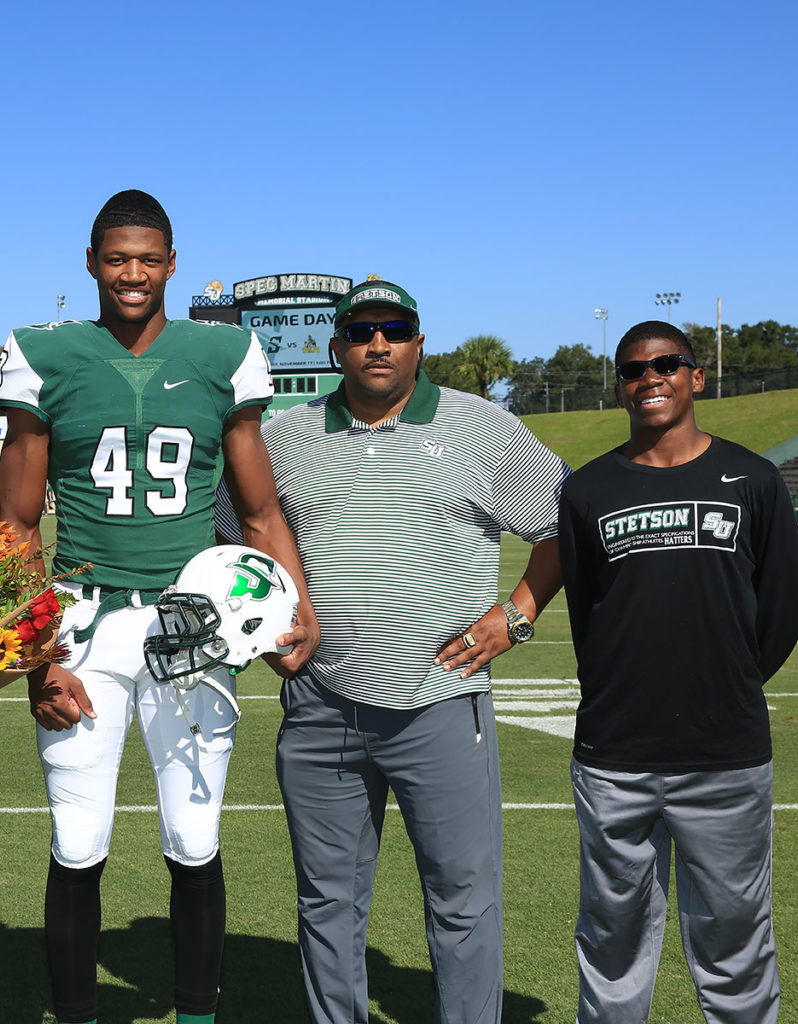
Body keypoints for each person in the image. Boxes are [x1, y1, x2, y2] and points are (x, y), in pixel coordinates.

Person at [0, 189, 316, 1024]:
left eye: (147, 259)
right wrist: (36, 657)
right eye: (116, 258)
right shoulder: (44, 355)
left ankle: (198, 1016)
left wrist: (297, 604)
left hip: (193, 623)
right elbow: (15, 526)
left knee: (194, 840)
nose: (132, 274)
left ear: (172, 264)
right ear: (91, 263)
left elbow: (260, 512)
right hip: (82, 620)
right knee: (78, 841)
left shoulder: (222, 353)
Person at [217, 280, 567, 1024]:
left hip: (440, 700)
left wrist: (514, 617)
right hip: (320, 705)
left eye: (395, 329)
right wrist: (267, 627)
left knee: (463, 898)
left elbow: (566, 524)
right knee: (327, 900)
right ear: (335, 346)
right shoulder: (284, 436)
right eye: (361, 331)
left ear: (418, 342)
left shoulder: (484, 428)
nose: (378, 344)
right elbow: (237, 536)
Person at [557, 320, 798, 1024]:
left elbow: (784, 608)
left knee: (736, 940)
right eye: (633, 370)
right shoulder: (587, 489)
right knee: (611, 940)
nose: (650, 378)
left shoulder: (754, 479)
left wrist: (726, 682)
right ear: (620, 388)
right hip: (615, 755)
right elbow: (588, 613)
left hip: (725, 753)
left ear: (696, 376)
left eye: (667, 364)